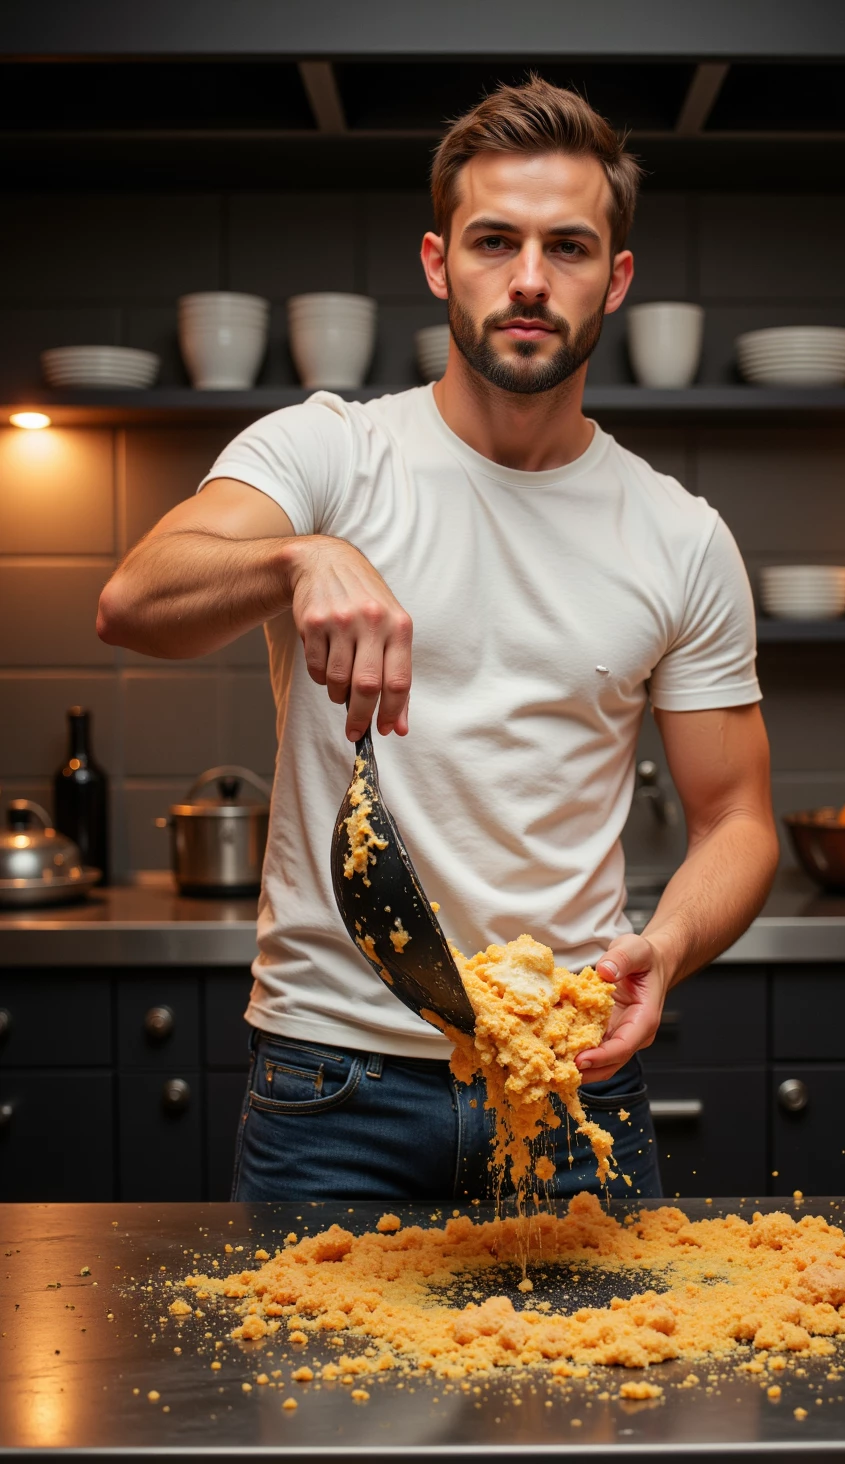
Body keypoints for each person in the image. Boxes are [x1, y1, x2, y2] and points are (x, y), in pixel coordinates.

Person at [97, 77, 778, 1202]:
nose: (526, 278)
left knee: (613, 1385)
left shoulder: (679, 536)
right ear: (435, 261)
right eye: (492, 241)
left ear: (612, 280)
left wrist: (666, 948)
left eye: (565, 247)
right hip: (331, 1088)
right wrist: (295, 558)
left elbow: (737, 818)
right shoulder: (328, 455)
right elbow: (134, 599)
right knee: (302, 1387)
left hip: (571, 1082)